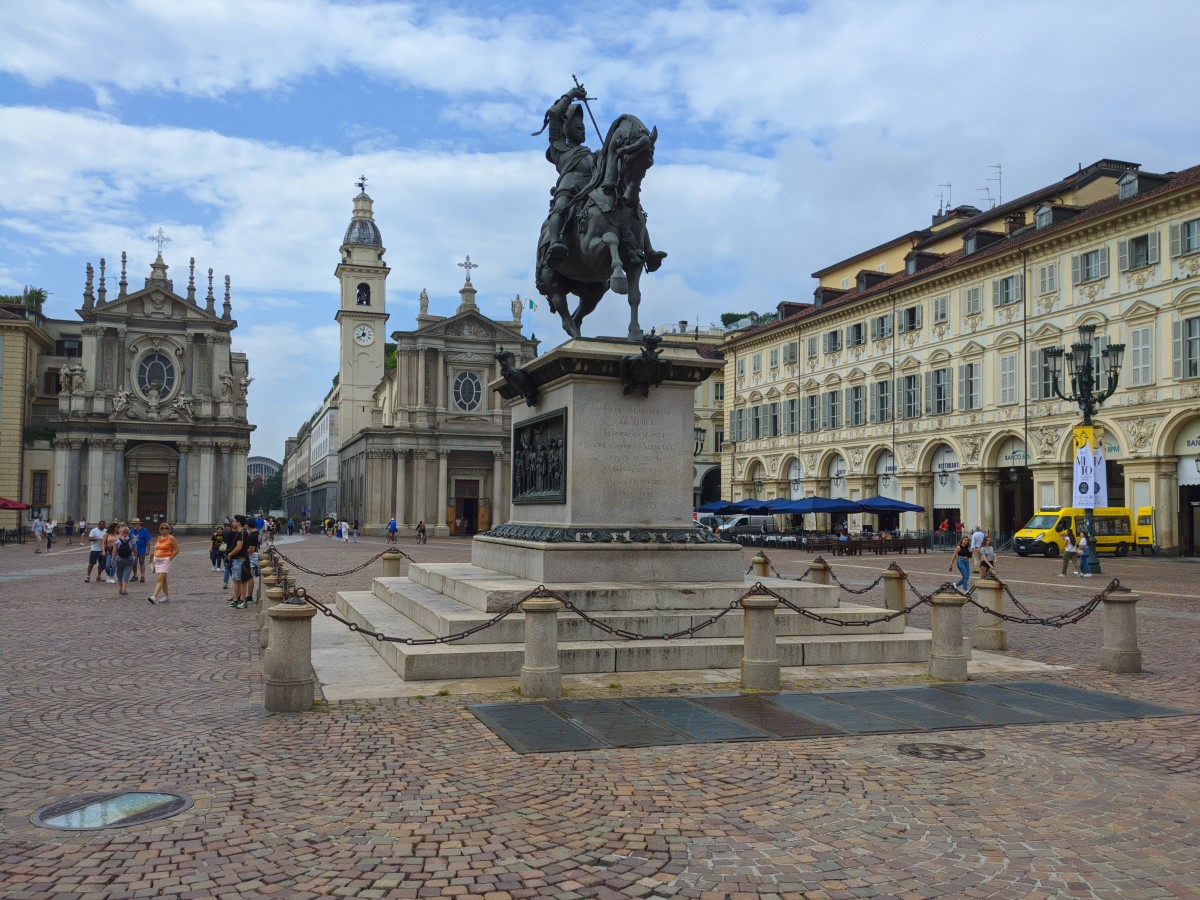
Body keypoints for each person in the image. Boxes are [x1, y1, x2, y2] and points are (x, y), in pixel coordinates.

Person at [147, 522, 179, 604]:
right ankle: (166, 597)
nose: (164, 530)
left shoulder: (171, 538)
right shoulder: (159, 538)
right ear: (160, 530)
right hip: (157, 560)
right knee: (163, 580)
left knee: (159, 579)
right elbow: (156, 549)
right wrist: (154, 557)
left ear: (169, 530)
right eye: (162, 528)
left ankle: (154, 596)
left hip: (165, 560)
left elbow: (177, 549)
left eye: (166, 528)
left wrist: (170, 558)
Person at [226, 515, 252, 608]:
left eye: (234, 521)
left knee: (241, 580)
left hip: (240, 559)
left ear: (239, 522)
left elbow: (238, 547)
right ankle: (236, 599)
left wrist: (230, 554)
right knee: (235, 580)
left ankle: (243, 600)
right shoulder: (240, 532)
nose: (233, 523)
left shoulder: (242, 533)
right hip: (236, 560)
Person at [112, 524, 136, 596]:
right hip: (130, 559)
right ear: (128, 533)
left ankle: (120, 588)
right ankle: (124, 589)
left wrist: (112, 559)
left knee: (119, 573)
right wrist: (135, 558)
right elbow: (135, 551)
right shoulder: (132, 540)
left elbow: (114, 551)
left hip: (119, 559)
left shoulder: (117, 541)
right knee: (127, 573)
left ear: (121, 533)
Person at [132, 519, 151, 583]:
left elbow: (148, 541)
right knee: (134, 563)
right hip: (133, 550)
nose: (134, 525)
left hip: (141, 549)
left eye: (135, 524)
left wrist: (148, 550)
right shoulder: (131, 531)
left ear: (139, 524)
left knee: (141, 562)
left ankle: (142, 576)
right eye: (133, 524)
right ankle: (135, 575)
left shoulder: (144, 531)